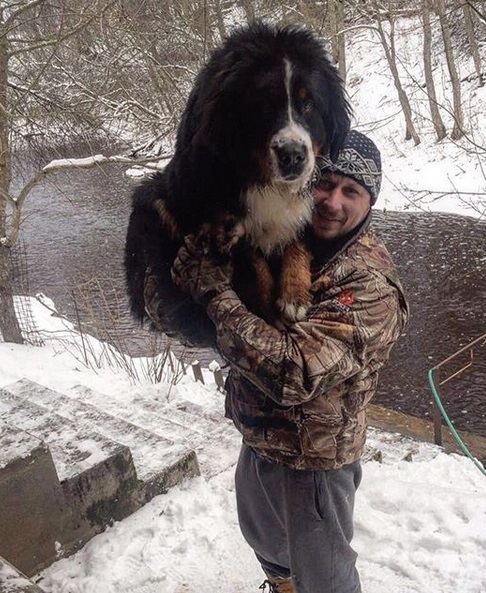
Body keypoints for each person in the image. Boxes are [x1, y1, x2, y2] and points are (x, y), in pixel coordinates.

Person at [170, 130, 409, 593]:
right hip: (259, 437)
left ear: (370, 202)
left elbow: (294, 374)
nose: (332, 201)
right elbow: (217, 328)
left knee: (327, 578)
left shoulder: (370, 284)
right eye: (326, 183)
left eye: (351, 191)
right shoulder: (285, 234)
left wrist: (217, 295)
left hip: (314, 461)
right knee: (268, 546)